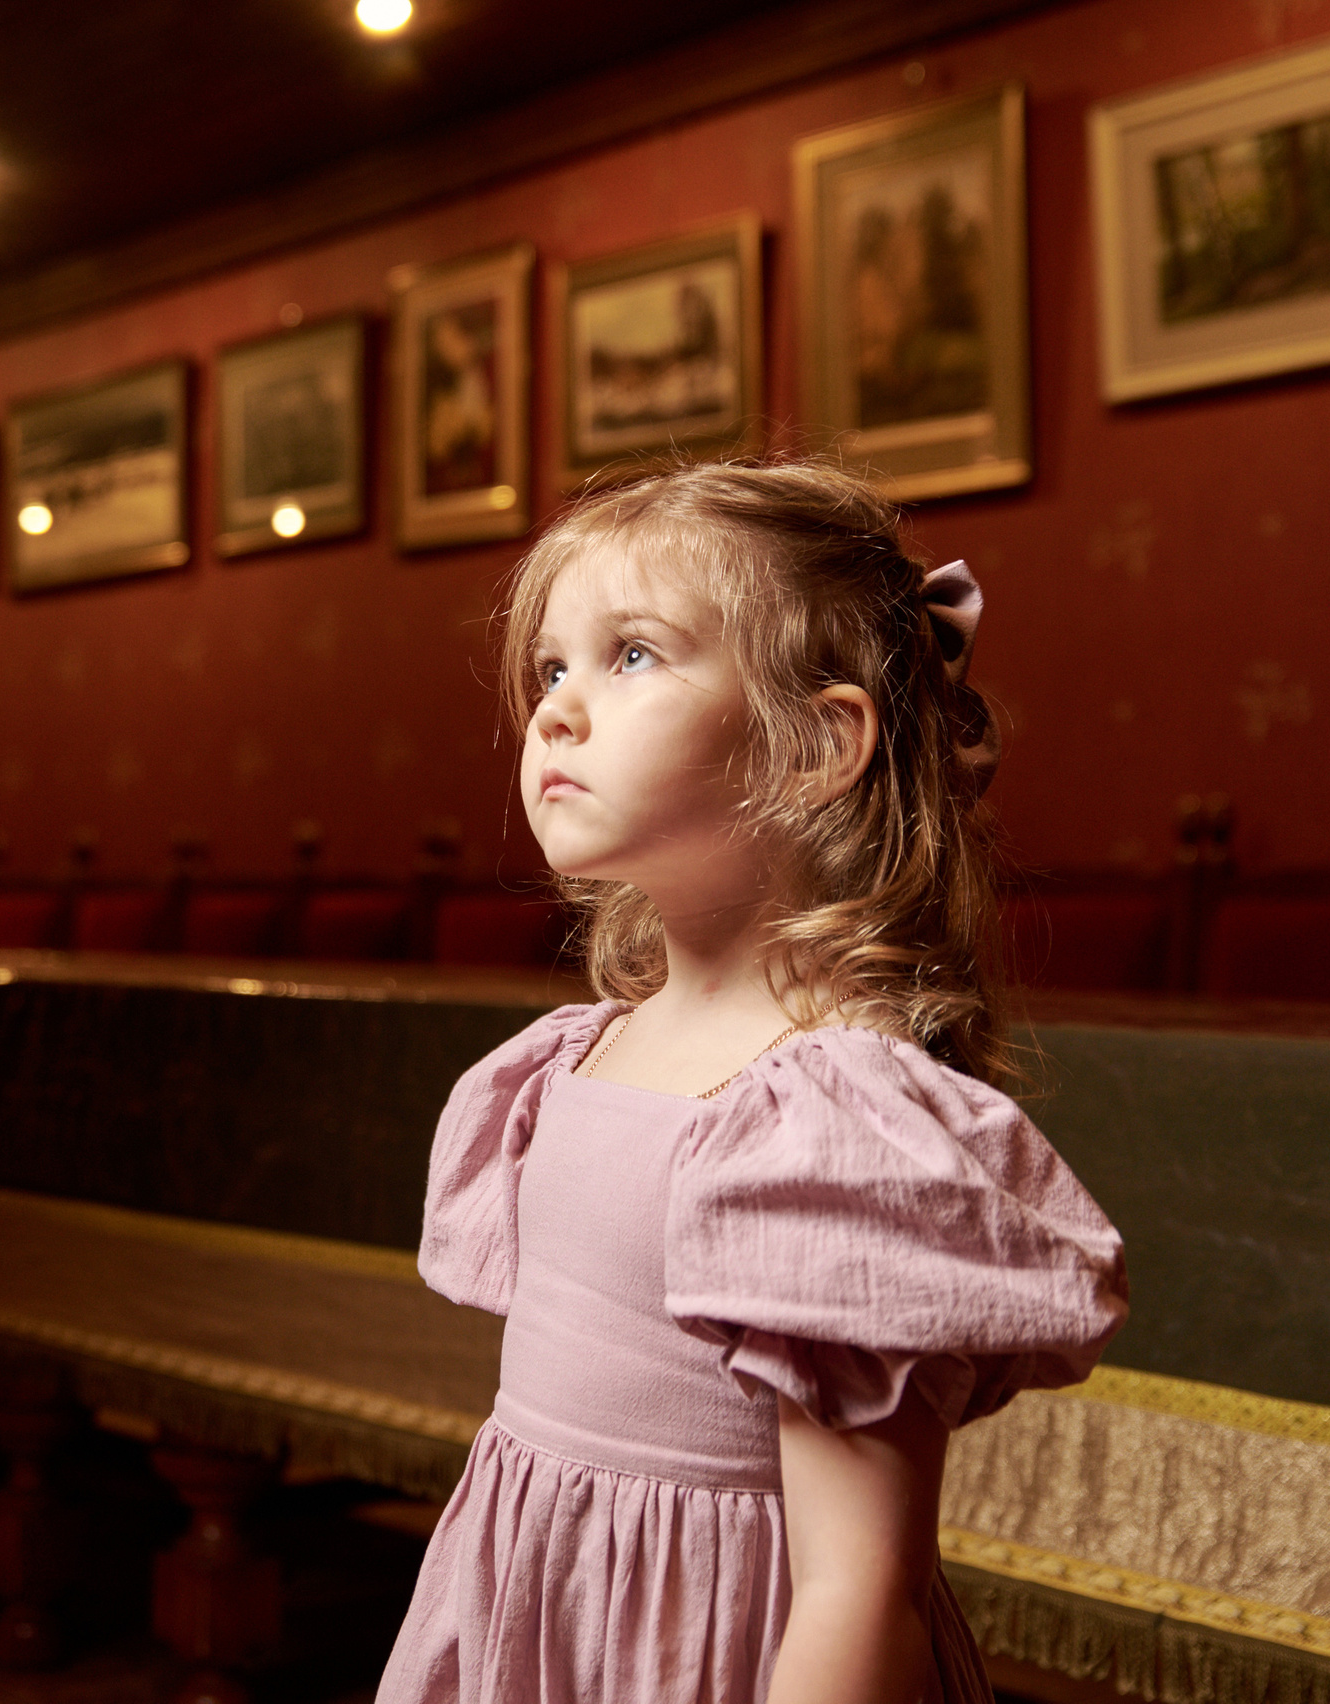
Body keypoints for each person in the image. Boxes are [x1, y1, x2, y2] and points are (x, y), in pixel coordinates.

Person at [377, 459, 1127, 1704]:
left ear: (814, 746)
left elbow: (856, 1584)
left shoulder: (831, 1122)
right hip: (544, 1619)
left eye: (630, 657)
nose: (554, 712)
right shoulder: (576, 1054)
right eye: (550, 669)